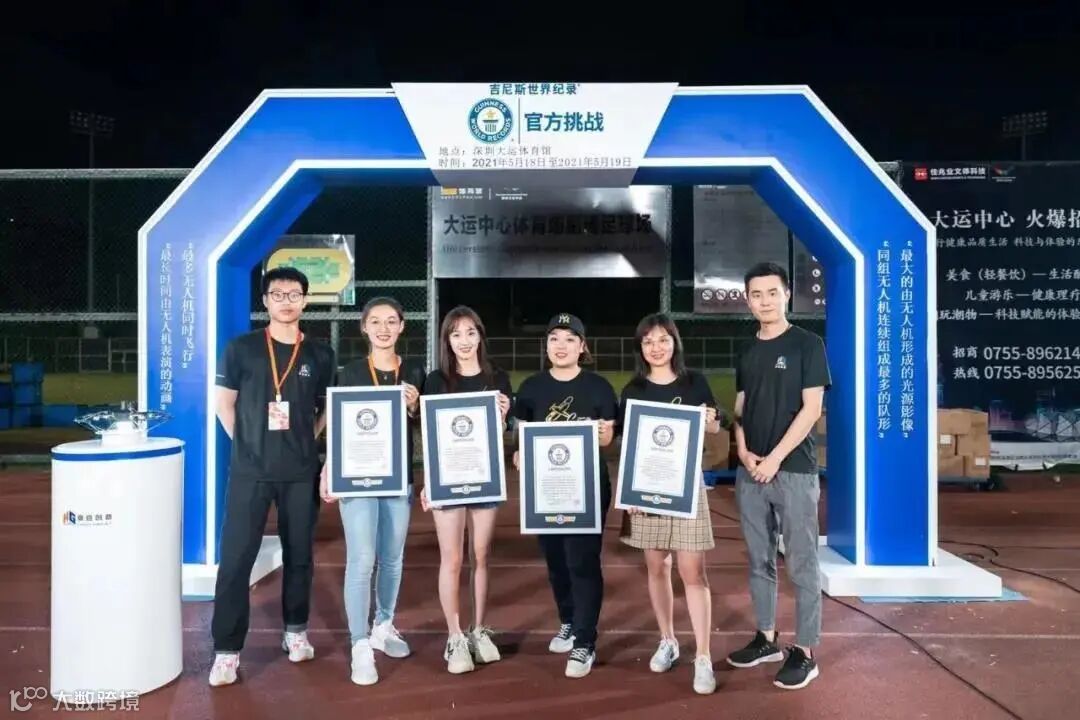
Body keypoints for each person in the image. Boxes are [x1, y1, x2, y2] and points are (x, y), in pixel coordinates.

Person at [209, 266, 337, 687]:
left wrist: (304, 439)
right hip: (251, 472)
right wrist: (248, 444)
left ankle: (295, 631)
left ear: (305, 300)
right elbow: (224, 404)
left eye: (294, 294)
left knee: (299, 556)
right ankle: (227, 651)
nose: (286, 300)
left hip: (300, 472)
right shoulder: (241, 349)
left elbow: (326, 410)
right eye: (277, 294)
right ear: (265, 301)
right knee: (236, 559)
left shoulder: (320, 355)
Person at [724, 262, 831, 691]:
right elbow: (739, 408)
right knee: (759, 560)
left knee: (802, 562)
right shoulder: (746, 350)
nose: (764, 301)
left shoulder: (808, 344)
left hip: (793, 472)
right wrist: (743, 450)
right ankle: (766, 638)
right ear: (747, 300)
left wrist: (775, 459)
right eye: (756, 294)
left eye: (772, 292)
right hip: (751, 471)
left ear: (786, 294)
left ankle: (805, 651)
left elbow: (812, 409)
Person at [318, 296, 425, 686]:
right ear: (364, 327)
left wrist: (415, 407)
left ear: (402, 326)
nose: (383, 328)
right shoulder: (349, 372)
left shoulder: (415, 371)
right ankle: (359, 643)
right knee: (362, 559)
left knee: (392, 558)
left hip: (398, 478)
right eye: (375, 321)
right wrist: (329, 468)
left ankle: (383, 624)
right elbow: (338, 425)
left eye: (391, 321)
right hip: (358, 477)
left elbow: (426, 428)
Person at [617, 313, 725, 695]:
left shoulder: (695, 382)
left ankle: (703, 656)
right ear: (640, 348)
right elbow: (628, 445)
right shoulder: (633, 390)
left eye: (663, 339)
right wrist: (628, 493)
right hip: (646, 488)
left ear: (674, 342)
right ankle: (668, 640)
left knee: (692, 572)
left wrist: (711, 420)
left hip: (686, 487)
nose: (656, 347)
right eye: (648, 341)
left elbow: (715, 424)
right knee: (656, 567)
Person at [513, 313, 618, 679]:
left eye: (570, 339)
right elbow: (522, 436)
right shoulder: (531, 388)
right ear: (546, 346)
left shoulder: (599, 387)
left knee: (582, 561)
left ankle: (585, 641)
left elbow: (608, 437)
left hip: (587, 489)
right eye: (554, 338)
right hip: (545, 491)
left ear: (582, 346)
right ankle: (569, 621)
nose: (561, 346)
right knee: (556, 561)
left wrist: (603, 434)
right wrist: (519, 452)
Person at [419, 305, 513, 674]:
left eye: (470, 332)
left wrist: (504, 412)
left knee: (481, 555)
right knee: (452, 558)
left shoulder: (498, 378)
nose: (464, 341)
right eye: (456, 334)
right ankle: (455, 635)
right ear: (447, 340)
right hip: (448, 480)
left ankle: (478, 630)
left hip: (484, 477)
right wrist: (430, 481)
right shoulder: (436, 380)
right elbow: (430, 437)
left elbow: (499, 433)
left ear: (480, 336)